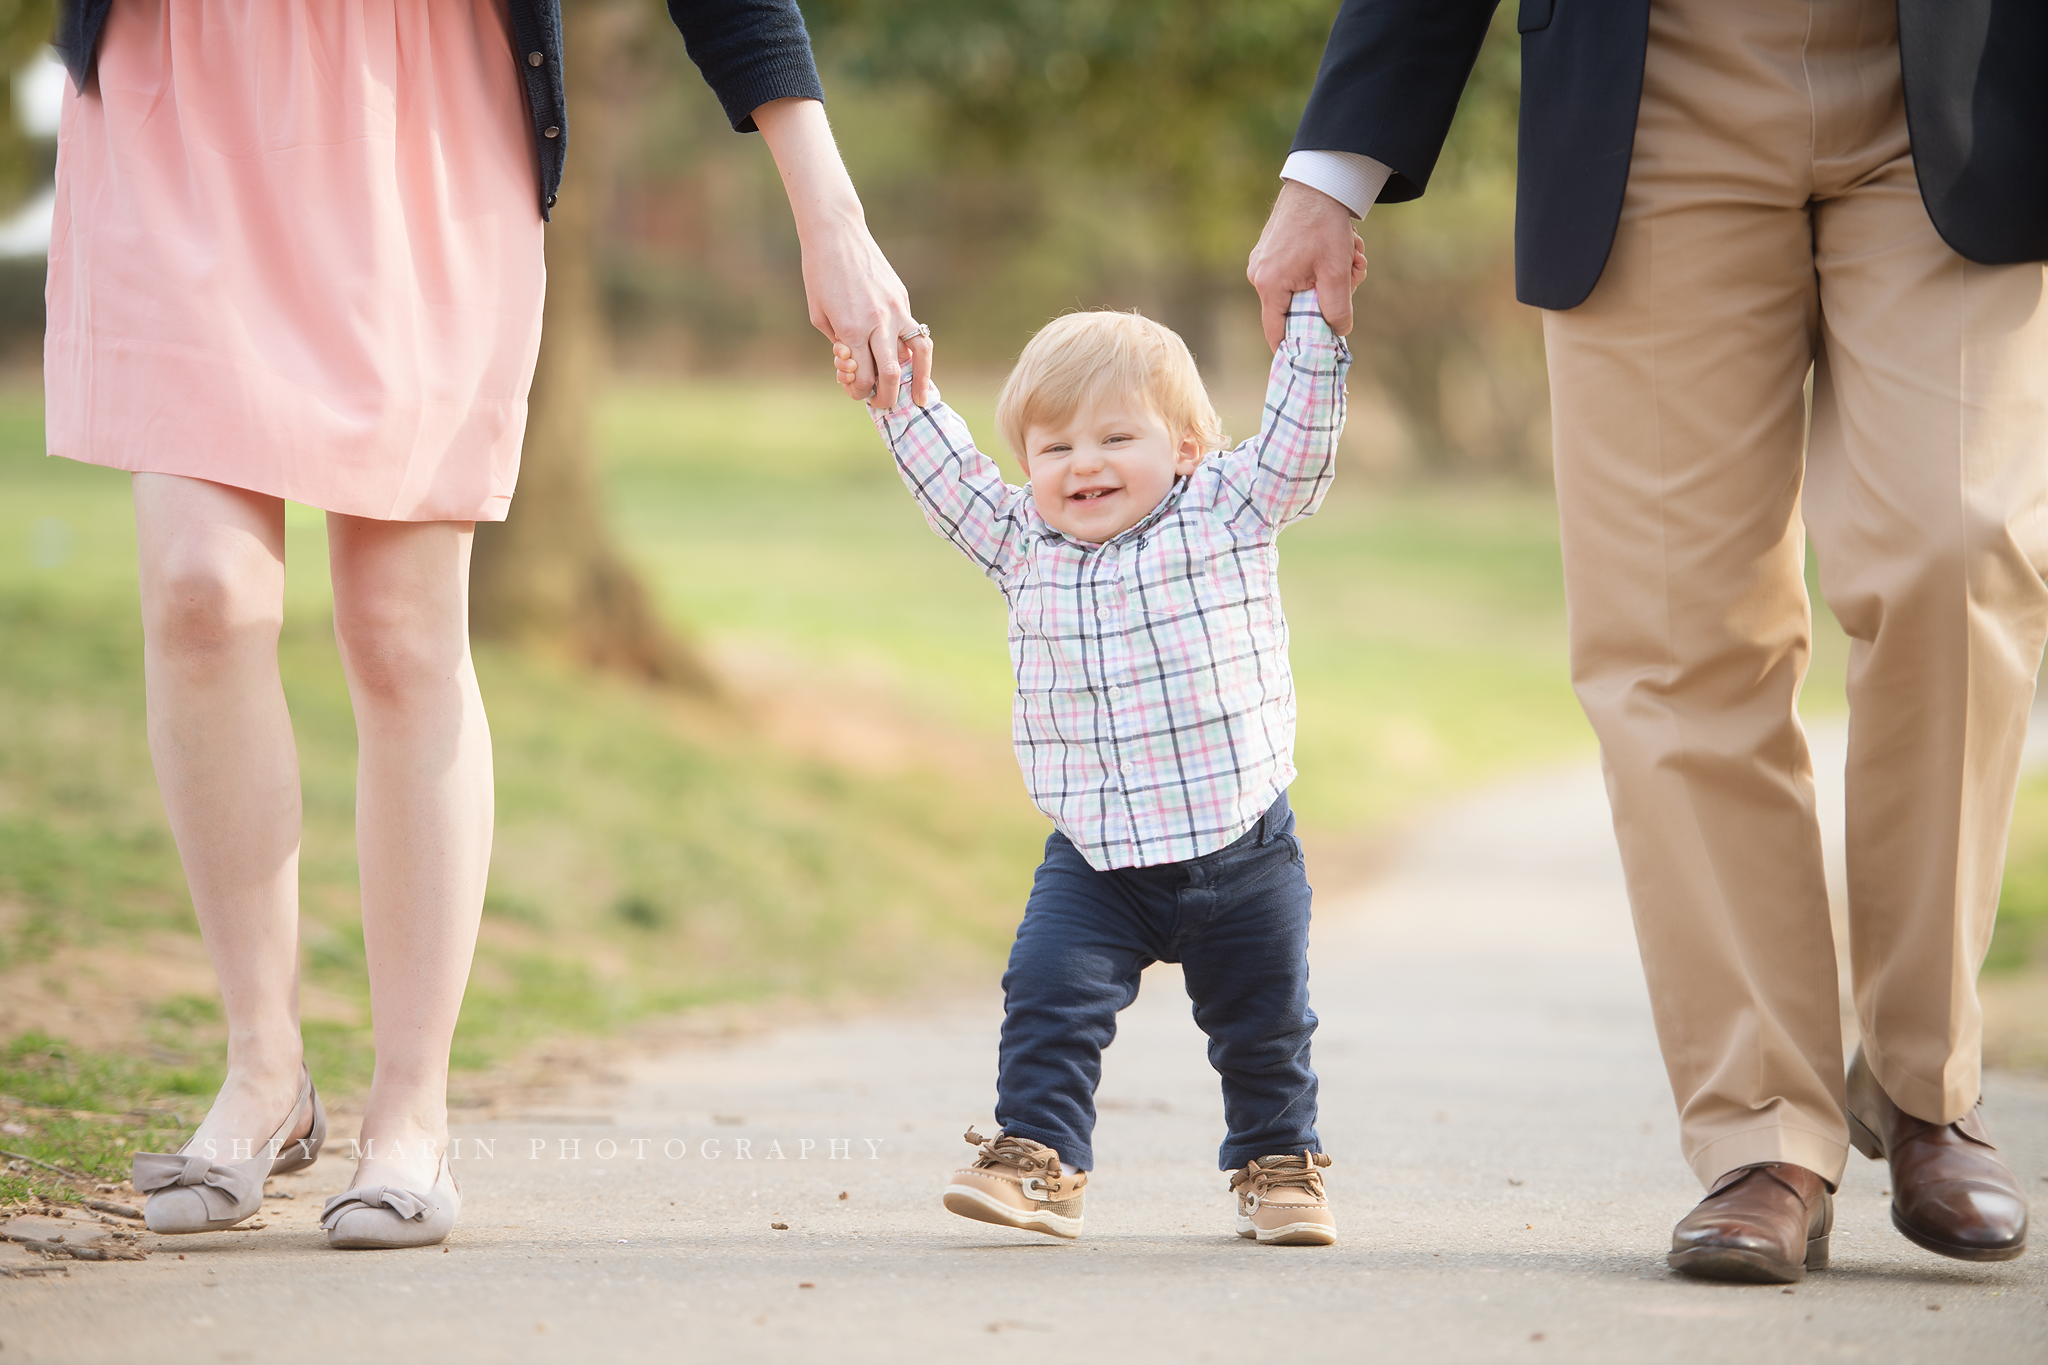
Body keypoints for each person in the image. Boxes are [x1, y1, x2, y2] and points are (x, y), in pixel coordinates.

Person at [47, 0, 931, 1250]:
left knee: (401, 630)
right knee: (201, 594)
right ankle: (262, 1068)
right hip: (183, 91)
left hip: (421, 114)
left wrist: (825, 210)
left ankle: (408, 1106)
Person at [1248, 0, 2043, 1282]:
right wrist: (1333, 170)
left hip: (1960, 71)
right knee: (1674, 626)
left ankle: (1924, 1085)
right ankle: (1762, 1132)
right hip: (1654, 90)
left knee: (1961, 553)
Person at [836, 281, 1360, 1245]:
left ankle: (1279, 1163)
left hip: (1242, 850)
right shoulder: (1020, 544)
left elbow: (1299, 440)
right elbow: (947, 474)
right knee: (1045, 994)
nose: (1085, 464)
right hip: (1096, 857)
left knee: (1265, 1029)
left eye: (1117, 438)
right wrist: (898, 394)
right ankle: (1040, 1158)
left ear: (1186, 449)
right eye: (1055, 446)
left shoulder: (1227, 512)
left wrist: (1311, 326)